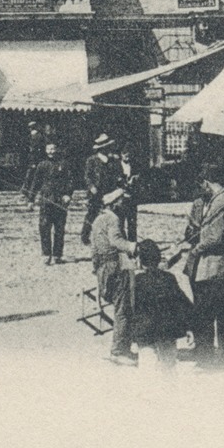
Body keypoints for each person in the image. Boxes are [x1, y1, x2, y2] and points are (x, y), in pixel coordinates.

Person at [179, 163, 224, 369]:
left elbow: (214, 237)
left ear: (207, 182)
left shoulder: (221, 201)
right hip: (223, 267)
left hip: (217, 266)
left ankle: (207, 360)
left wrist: (194, 250)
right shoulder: (222, 199)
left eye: (202, 184)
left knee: (207, 313)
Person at [126, 239, 193, 369]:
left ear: (140, 261)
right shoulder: (169, 278)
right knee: (169, 369)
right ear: (158, 259)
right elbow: (182, 303)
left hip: (145, 333)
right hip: (167, 331)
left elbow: (128, 308)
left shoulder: (136, 281)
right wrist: (189, 327)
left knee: (147, 370)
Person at [90, 190, 140, 362]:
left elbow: (94, 249)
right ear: (114, 203)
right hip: (115, 266)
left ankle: (122, 347)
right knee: (123, 309)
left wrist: (97, 269)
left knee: (120, 307)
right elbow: (116, 241)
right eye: (122, 201)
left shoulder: (98, 219)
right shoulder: (113, 219)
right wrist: (134, 247)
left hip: (103, 267)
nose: (125, 205)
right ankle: (119, 351)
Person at [81, 135, 132, 244]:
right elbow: (87, 176)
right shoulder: (92, 160)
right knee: (92, 213)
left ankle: (117, 237)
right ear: (100, 148)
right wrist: (91, 187)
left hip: (109, 190)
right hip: (95, 191)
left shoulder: (113, 160)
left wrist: (121, 183)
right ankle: (85, 236)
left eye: (108, 147)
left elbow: (119, 174)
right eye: (105, 147)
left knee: (114, 214)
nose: (107, 149)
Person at [29, 143, 72, 265]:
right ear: (45, 150)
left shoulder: (63, 164)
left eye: (53, 148)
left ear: (57, 149)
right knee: (44, 227)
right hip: (46, 200)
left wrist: (68, 194)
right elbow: (35, 182)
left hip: (60, 200)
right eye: (48, 149)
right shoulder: (42, 165)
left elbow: (70, 180)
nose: (51, 151)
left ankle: (58, 254)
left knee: (59, 228)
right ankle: (46, 254)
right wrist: (31, 199)